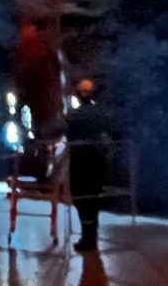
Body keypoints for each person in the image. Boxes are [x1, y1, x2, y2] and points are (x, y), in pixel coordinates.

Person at [65, 78, 111, 252]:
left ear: (78, 94)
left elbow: (64, 132)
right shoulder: (100, 114)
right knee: (94, 200)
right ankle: (92, 236)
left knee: (81, 200)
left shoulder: (73, 116)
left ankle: (87, 238)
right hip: (97, 162)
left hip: (79, 163)